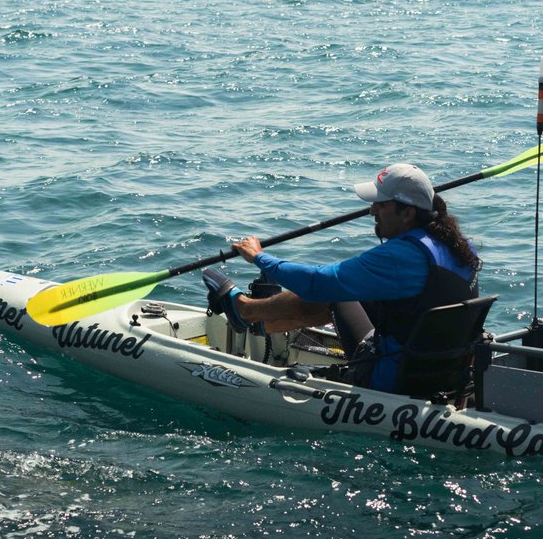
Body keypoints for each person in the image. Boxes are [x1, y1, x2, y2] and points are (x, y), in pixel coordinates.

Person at [204, 163, 481, 393]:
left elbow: (319, 283)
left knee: (336, 292)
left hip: (391, 378)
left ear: (408, 213)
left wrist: (260, 258)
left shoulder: (401, 256)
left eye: (380, 205)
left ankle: (245, 311)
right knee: (359, 288)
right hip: (447, 374)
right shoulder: (461, 247)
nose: (372, 211)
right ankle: (264, 322)